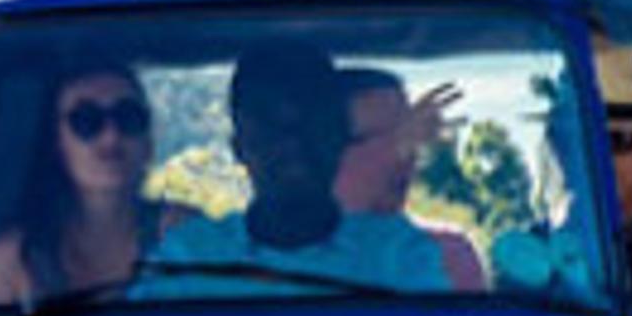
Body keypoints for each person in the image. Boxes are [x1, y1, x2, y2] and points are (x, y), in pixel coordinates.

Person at [147, 42, 457, 293]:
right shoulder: (189, 256)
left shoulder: (399, 254)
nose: (293, 144)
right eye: (270, 126)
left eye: (311, 124)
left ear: (338, 138)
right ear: (239, 146)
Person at [0, 58, 162, 305]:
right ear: (57, 144)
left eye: (128, 118)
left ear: (148, 143)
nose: (111, 137)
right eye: (86, 121)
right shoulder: (13, 263)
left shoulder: (188, 238)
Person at [335, 68, 489, 293]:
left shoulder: (449, 254)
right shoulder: (281, 258)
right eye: (382, 140)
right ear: (326, 152)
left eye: (416, 137)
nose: (406, 156)